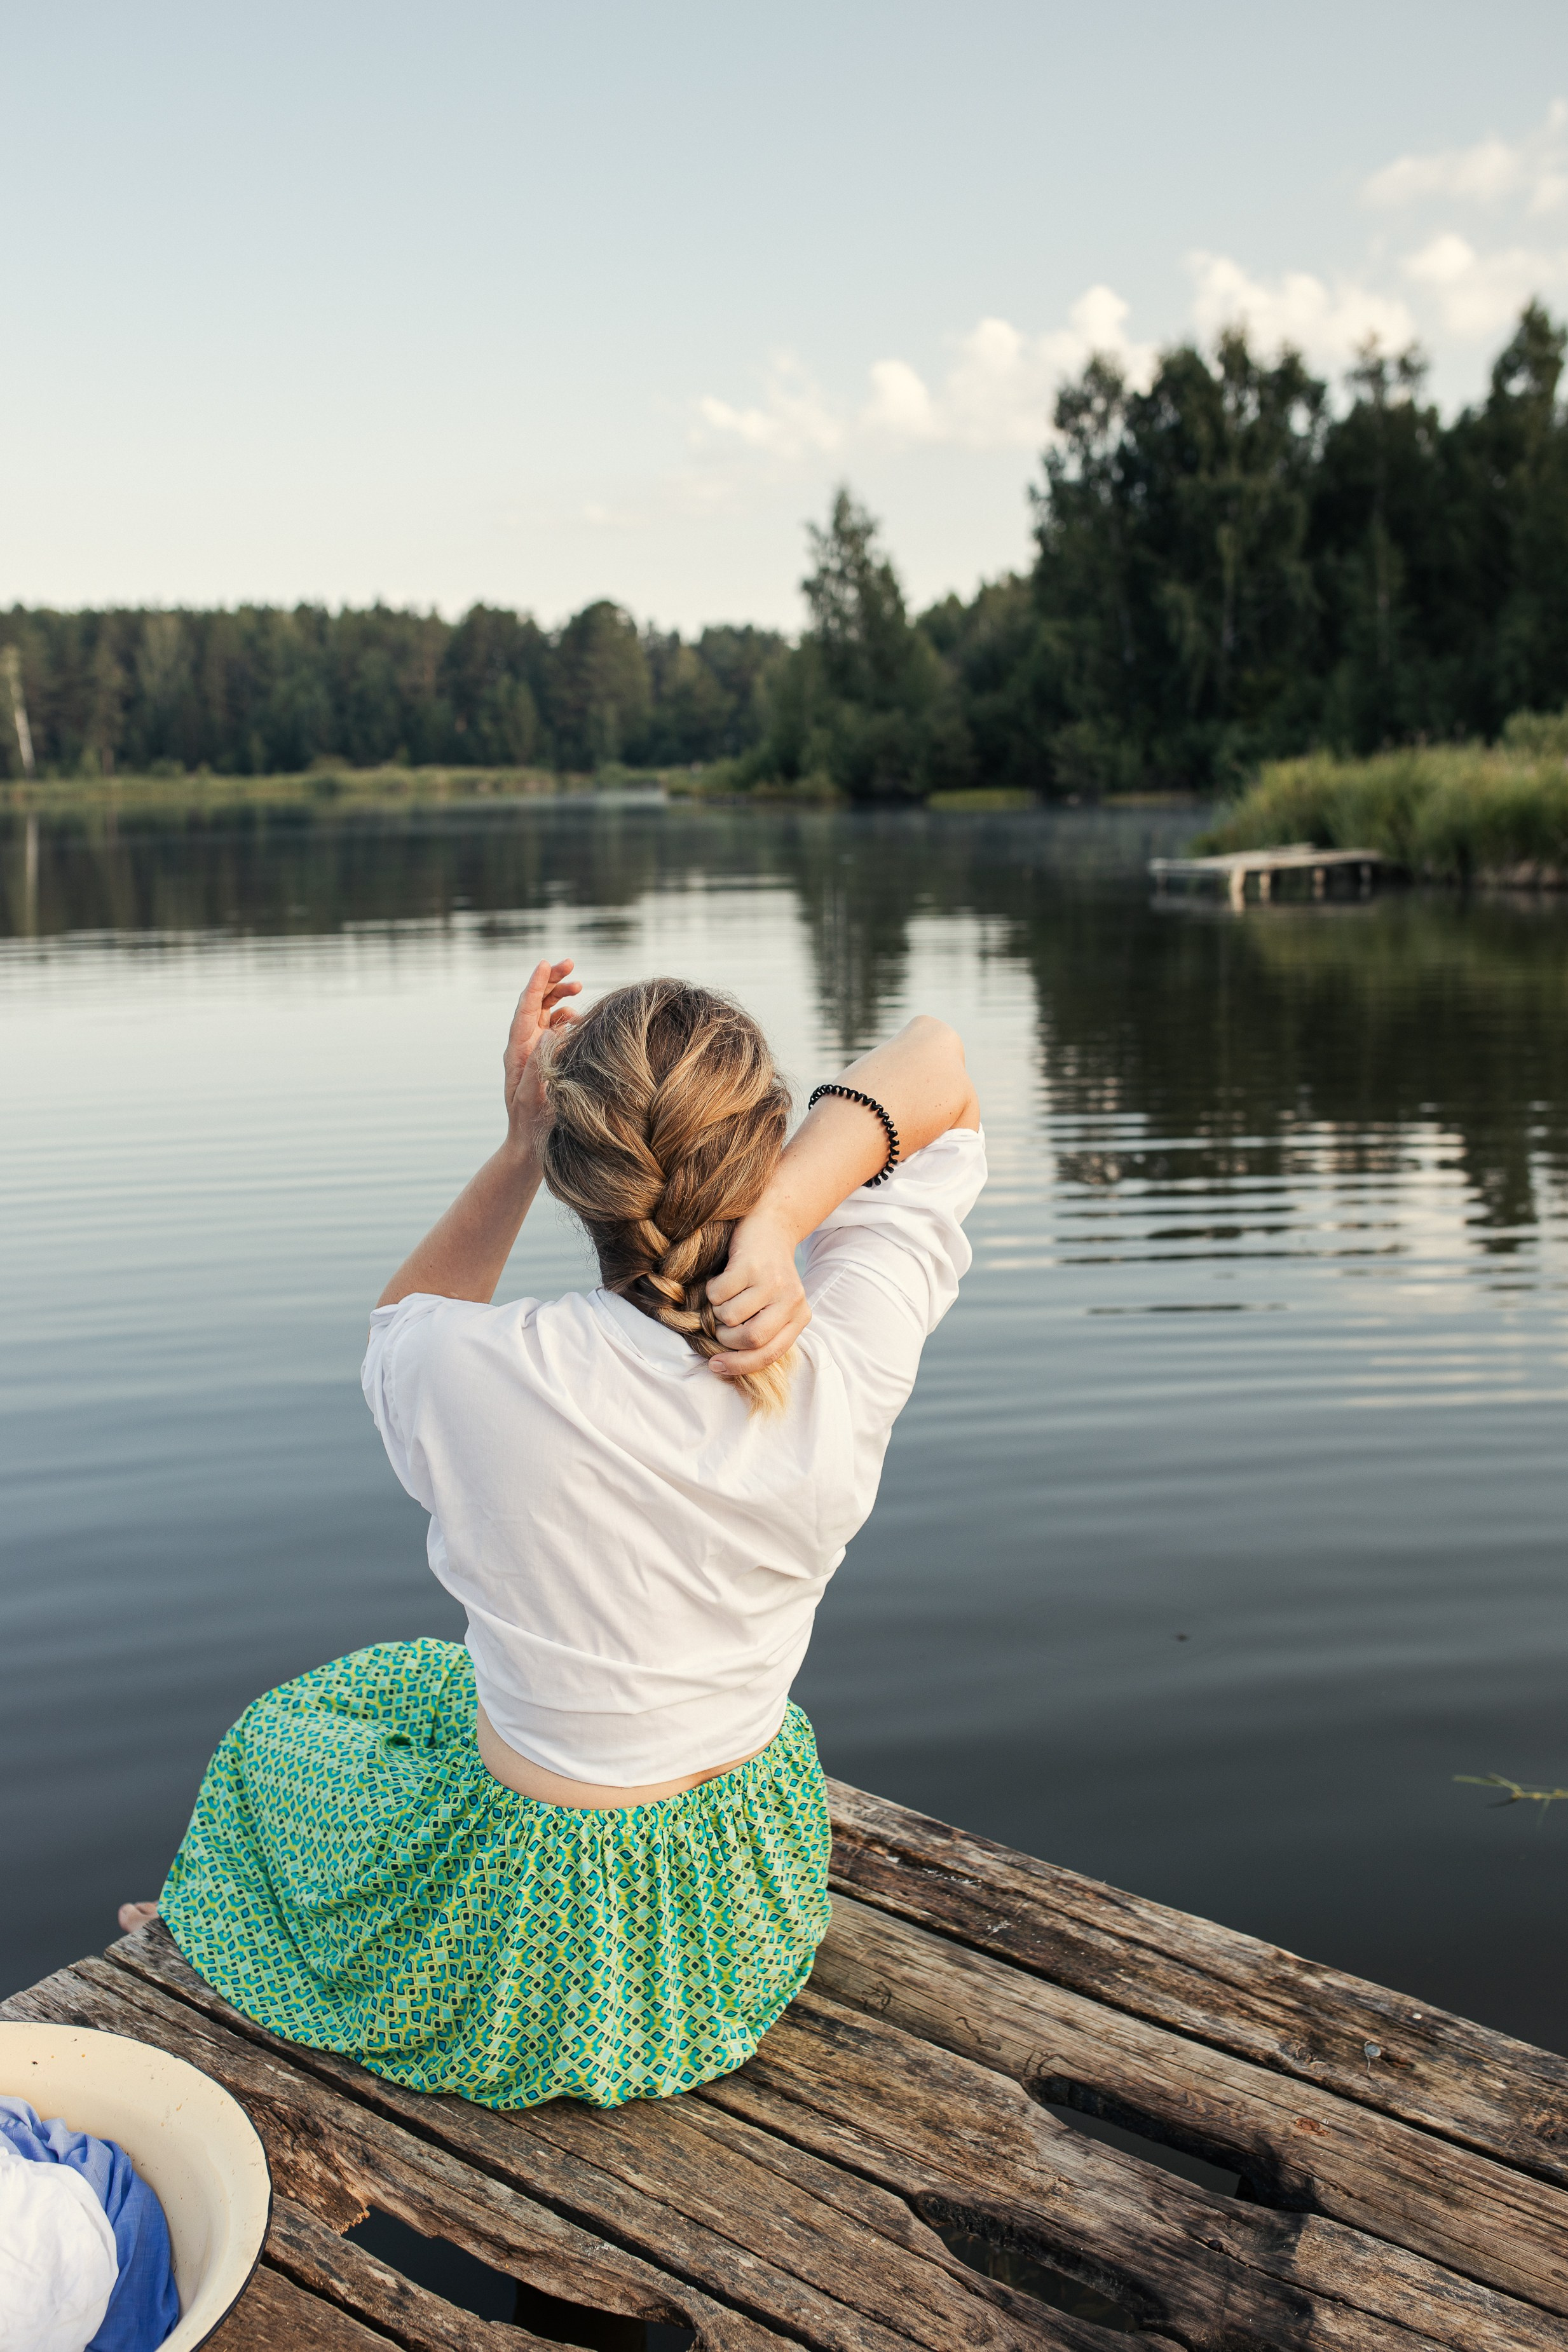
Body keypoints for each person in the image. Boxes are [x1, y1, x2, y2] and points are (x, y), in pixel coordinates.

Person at [124, 960, 984, 2109]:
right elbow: (938, 1063)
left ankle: (229, 1922)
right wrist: (784, 1221)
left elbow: (403, 1319)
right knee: (432, 1686)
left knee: (285, 1736)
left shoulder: (470, 1371)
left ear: (586, 1178)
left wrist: (519, 1144)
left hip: (533, 1944)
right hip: (736, 1913)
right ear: (770, 1138)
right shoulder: (844, 1346)